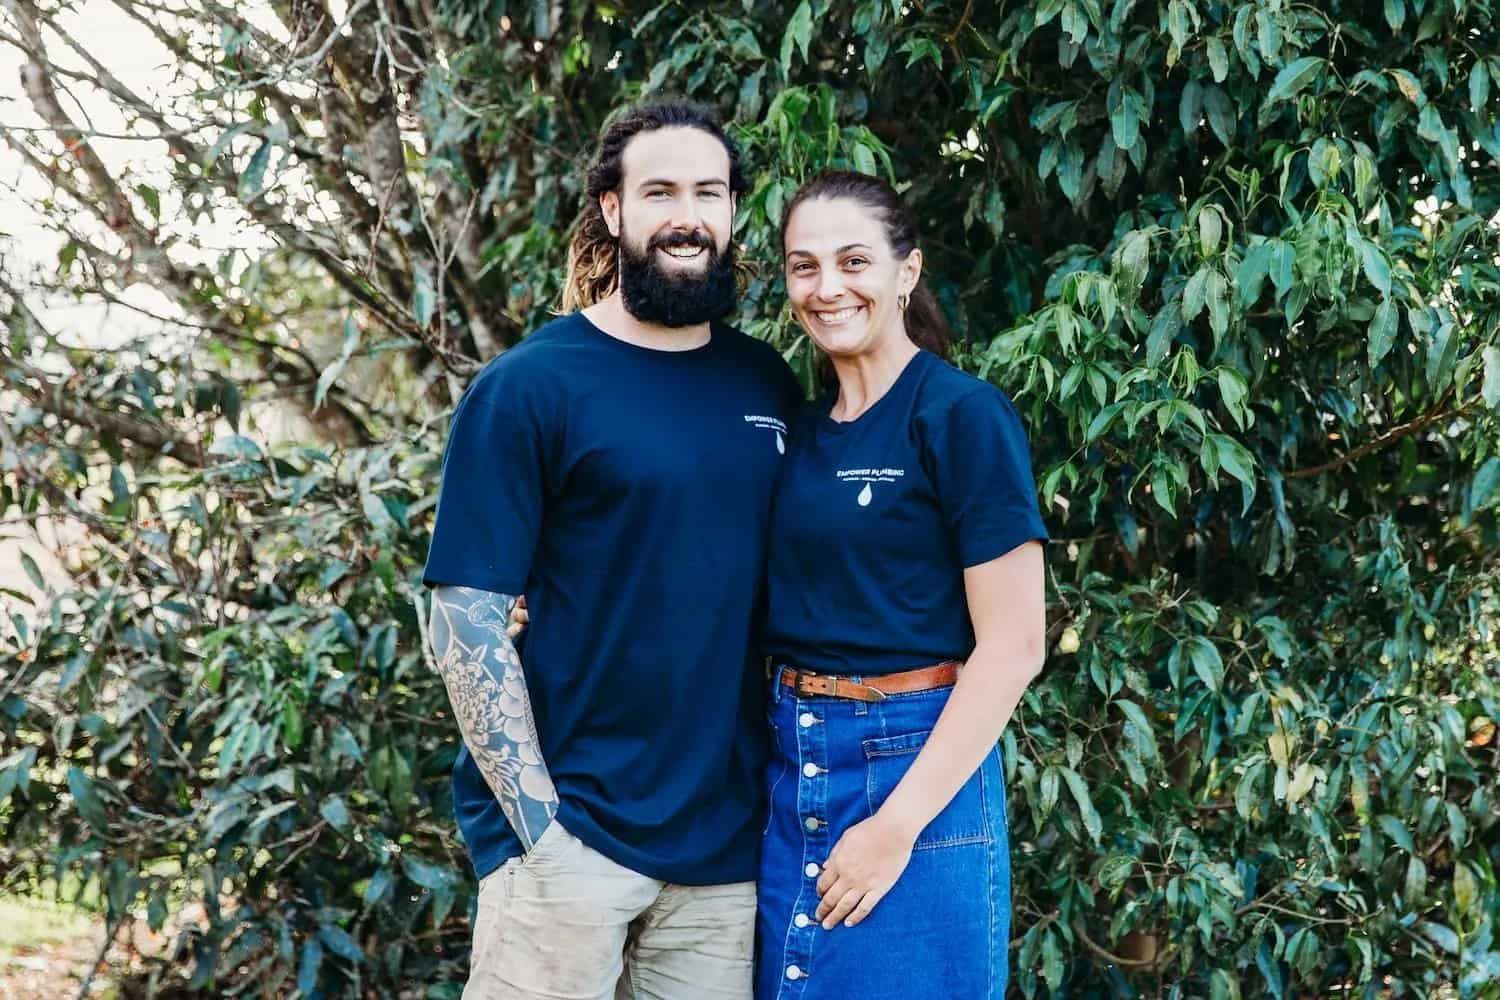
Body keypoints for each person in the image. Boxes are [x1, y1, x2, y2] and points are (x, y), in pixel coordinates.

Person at [421, 99, 802, 1000]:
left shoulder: (767, 381)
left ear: (734, 211)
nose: (687, 215)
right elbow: (464, 613)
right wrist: (539, 828)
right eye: (660, 190)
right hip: (571, 839)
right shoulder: (530, 387)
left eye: (709, 192)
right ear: (613, 210)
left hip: (722, 850)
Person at [753, 171, 1049, 999]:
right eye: (803, 267)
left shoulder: (960, 416)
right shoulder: (796, 432)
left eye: (854, 261)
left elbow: (1016, 645)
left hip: (913, 768)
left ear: (906, 273)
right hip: (791, 767)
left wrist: (895, 826)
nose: (828, 287)